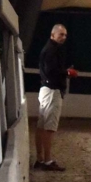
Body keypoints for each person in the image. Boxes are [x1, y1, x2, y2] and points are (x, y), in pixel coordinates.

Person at [34, 24, 78, 171]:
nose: (64, 37)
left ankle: (40, 159)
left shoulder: (49, 49)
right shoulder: (51, 50)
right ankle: (47, 161)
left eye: (65, 35)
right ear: (53, 34)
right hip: (52, 91)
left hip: (46, 90)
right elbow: (51, 71)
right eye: (61, 34)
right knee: (49, 127)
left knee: (41, 126)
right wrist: (67, 73)